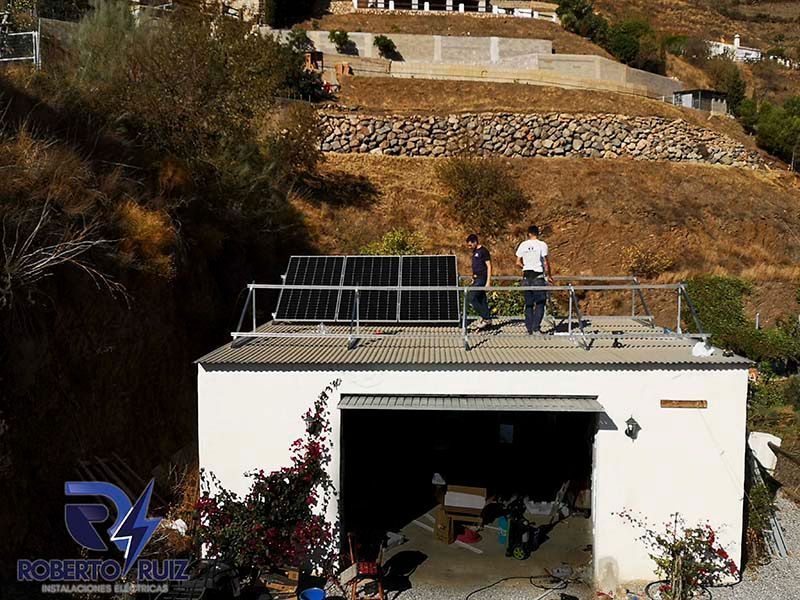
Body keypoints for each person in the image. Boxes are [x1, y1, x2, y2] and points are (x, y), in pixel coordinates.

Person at [515, 225, 553, 335]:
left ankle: (529, 329)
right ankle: (536, 328)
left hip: (526, 276)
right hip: (538, 276)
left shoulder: (523, 244)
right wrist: (549, 275)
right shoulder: (542, 245)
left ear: (529, 234)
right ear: (538, 234)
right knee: (540, 303)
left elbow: (517, 262)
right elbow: (546, 263)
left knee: (529, 304)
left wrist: (525, 267)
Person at [466, 233, 492, 330]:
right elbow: (476, 266)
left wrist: (488, 281)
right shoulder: (474, 251)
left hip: (482, 278)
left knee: (471, 297)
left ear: (475, 242)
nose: (469, 247)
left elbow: (489, 266)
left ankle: (486, 318)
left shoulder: (483, 251)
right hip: (476, 278)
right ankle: (487, 321)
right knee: (481, 299)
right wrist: (473, 277)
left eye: (470, 245)